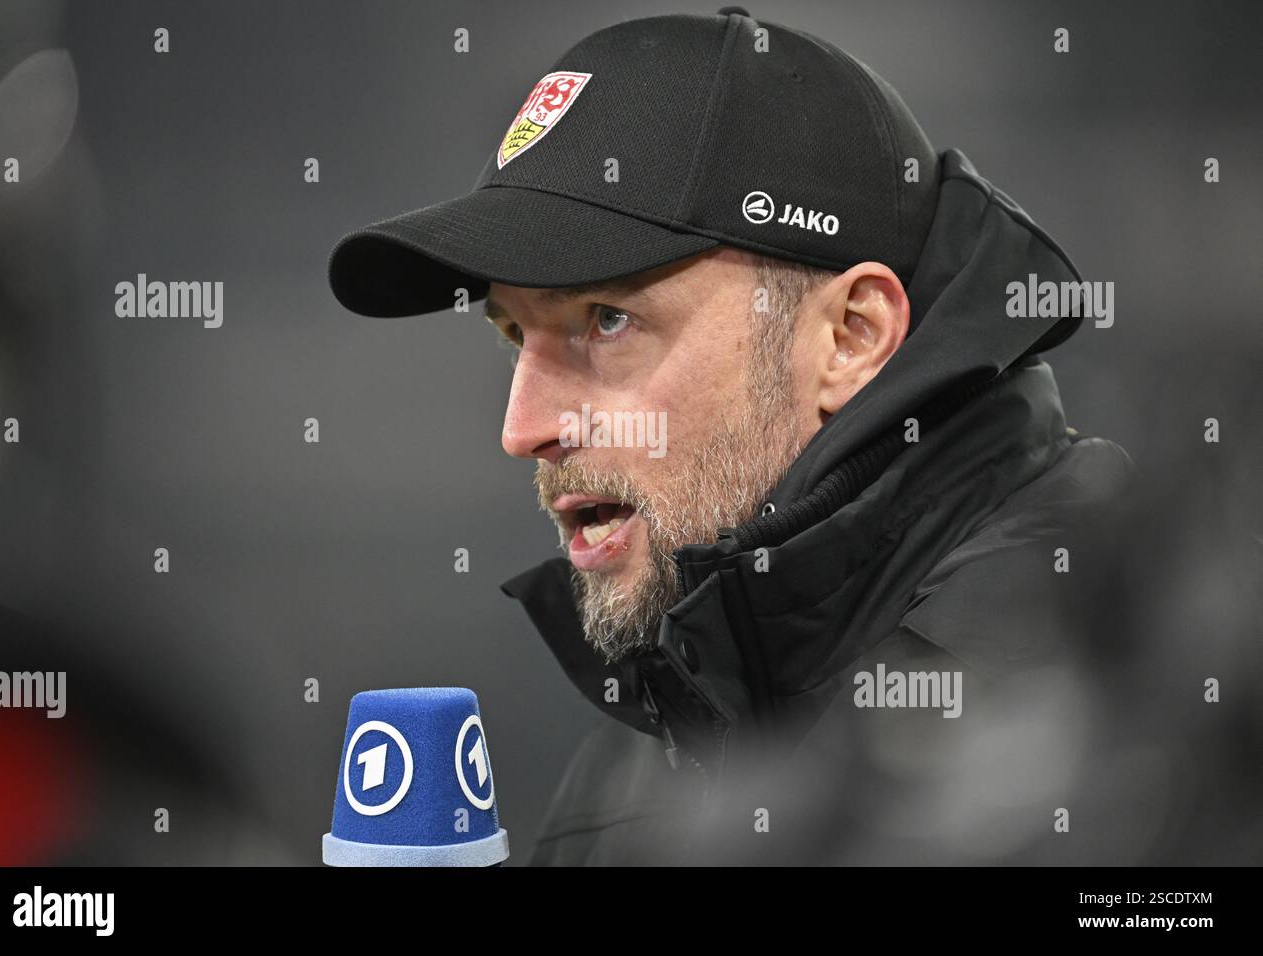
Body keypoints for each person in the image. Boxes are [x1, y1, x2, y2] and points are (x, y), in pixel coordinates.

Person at [328, 8, 1132, 864]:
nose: (524, 430)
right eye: (514, 334)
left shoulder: (1127, 699)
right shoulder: (646, 754)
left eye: (607, 320)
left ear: (849, 338)